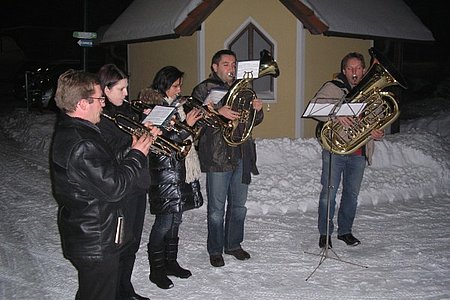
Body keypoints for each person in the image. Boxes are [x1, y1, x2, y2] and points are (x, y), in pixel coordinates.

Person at [50, 69, 157, 300]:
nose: (103, 105)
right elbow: (116, 186)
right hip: (96, 238)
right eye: (99, 99)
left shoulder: (75, 131)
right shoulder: (82, 143)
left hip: (90, 232)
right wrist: (137, 153)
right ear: (81, 104)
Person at [191, 49, 264, 267]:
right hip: (217, 155)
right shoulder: (203, 88)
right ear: (215, 67)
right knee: (216, 209)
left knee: (239, 206)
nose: (231, 68)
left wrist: (257, 111)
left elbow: (252, 121)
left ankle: (233, 245)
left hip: (241, 151)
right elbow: (194, 118)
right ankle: (215, 249)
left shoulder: (243, 87)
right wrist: (216, 111)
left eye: (233, 64)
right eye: (226, 64)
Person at [310, 52, 384, 249]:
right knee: (329, 194)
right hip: (335, 150)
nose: (354, 72)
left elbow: (376, 118)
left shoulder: (372, 92)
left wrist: (377, 131)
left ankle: (345, 232)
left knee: (351, 195)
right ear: (344, 71)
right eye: (350, 68)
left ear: (364, 70)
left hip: (359, 152)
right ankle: (325, 234)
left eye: (358, 68)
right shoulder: (333, 87)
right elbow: (314, 108)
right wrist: (336, 113)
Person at [138, 66, 203, 289]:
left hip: (179, 169)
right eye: (175, 86)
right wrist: (188, 126)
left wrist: (197, 119)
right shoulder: (152, 108)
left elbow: (184, 137)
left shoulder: (174, 105)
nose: (179, 89)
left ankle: (171, 263)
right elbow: (164, 141)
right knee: (164, 221)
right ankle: (156, 270)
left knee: (176, 219)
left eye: (180, 85)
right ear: (163, 85)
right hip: (163, 172)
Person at [96, 64, 150, 300]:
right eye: (121, 89)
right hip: (120, 189)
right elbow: (106, 154)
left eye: (126, 87)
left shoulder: (127, 110)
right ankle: (115, 292)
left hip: (138, 184)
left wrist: (149, 127)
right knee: (119, 244)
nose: (127, 93)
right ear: (105, 90)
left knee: (133, 242)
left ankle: (125, 289)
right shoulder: (100, 117)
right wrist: (133, 141)